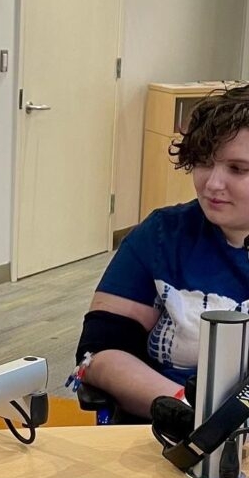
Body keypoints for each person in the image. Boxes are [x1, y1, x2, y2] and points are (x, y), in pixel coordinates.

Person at [76, 83, 249, 420]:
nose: (212, 184)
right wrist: (188, 411)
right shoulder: (162, 236)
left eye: (238, 169)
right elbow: (99, 354)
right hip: (167, 428)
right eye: (203, 162)